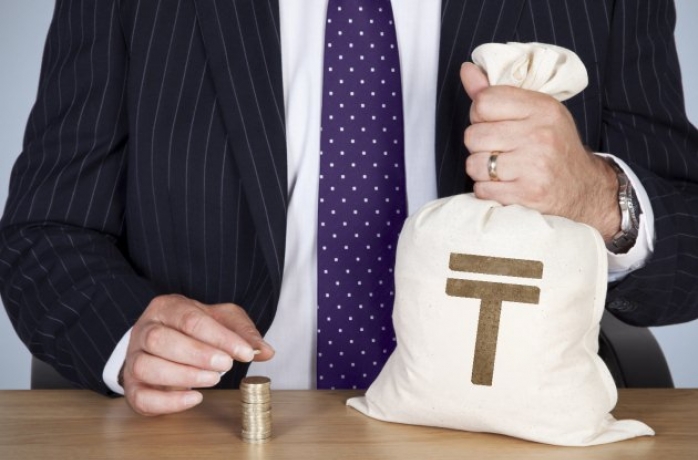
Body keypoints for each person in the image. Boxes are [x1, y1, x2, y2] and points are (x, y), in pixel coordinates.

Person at [1, 0, 697, 416]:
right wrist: (130, 336)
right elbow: (45, 231)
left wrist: (594, 196)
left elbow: (687, 258)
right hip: (221, 428)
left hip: (510, 429)